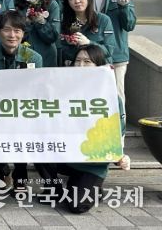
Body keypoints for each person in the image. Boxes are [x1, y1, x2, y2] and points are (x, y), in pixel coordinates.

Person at [36, 45, 127, 214]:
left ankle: (93, 189)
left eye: (87, 61)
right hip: (66, 156)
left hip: (92, 164)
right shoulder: (63, 92)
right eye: (77, 61)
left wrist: (120, 156)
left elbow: (117, 132)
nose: (81, 65)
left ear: (99, 67)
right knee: (37, 146)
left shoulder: (110, 97)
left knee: (78, 206)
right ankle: (55, 190)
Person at [0, 11, 43, 193]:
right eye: (7, 30)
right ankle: (3, 171)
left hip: (22, 111)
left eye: (17, 31)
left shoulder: (34, 58)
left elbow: (38, 89)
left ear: (23, 33)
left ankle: (20, 175)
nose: (12, 35)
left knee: (22, 132)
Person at [88, 0, 137, 104]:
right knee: (93, 94)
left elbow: (129, 25)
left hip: (116, 54)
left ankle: (120, 121)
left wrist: (124, 7)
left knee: (117, 95)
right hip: (92, 54)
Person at [59, 0, 117, 66]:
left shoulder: (103, 20)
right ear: (68, 2)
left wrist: (88, 43)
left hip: (99, 68)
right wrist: (71, 45)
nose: (77, 1)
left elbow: (109, 50)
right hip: (78, 69)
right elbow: (63, 51)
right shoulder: (67, 22)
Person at [14, 0, 60, 67]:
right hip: (24, 54)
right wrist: (26, 23)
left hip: (47, 55)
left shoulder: (52, 4)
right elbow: (14, 35)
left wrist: (41, 22)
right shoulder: (16, 4)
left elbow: (54, 37)